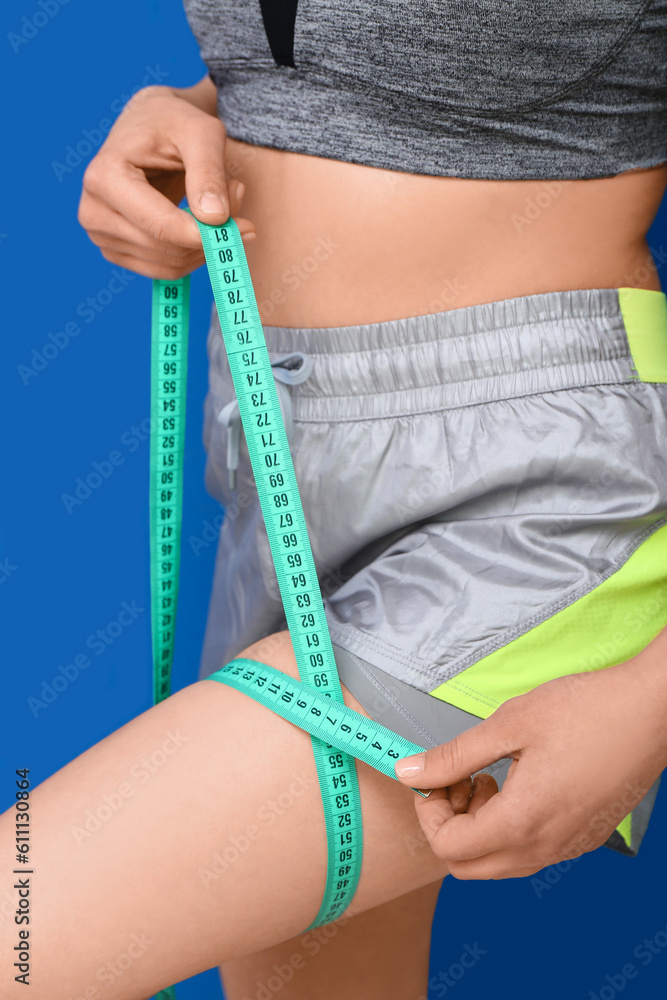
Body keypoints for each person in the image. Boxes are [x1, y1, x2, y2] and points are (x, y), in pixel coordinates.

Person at [3, 3, 667, 998]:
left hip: (531, 503)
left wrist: (651, 699)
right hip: (271, 457)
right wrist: (188, 110)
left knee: (22, 929)